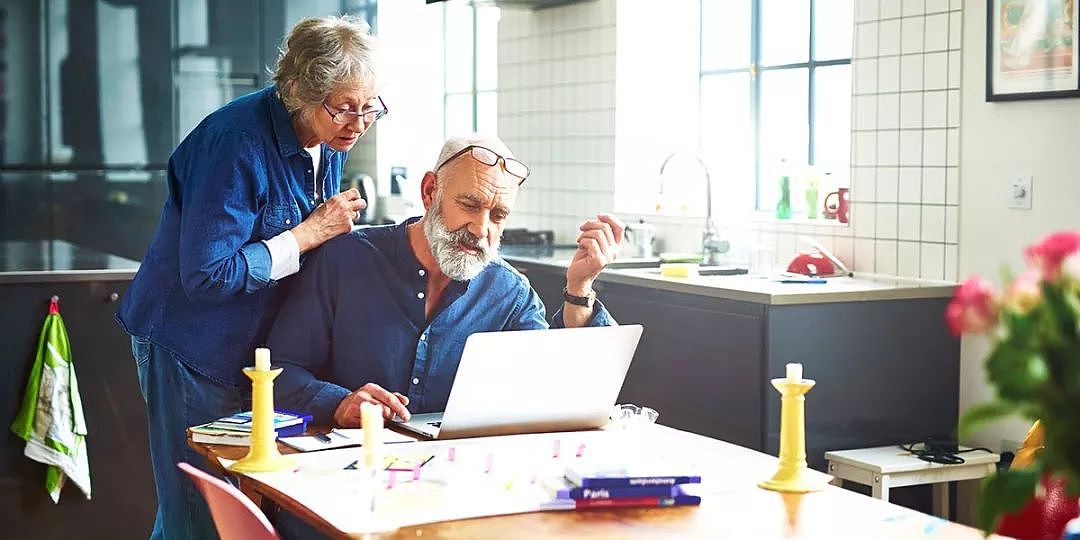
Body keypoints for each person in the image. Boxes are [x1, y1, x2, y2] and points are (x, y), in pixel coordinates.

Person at [115, 15, 384, 539]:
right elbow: (209, 276)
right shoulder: (235, 143)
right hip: (191, 344)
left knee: (207, 507)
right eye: (344, 107)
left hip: (247, 349)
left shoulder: (324, 138)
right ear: (295, 91)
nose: (358, 122)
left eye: (369, 107)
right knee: (198, 510)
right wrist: (309, 233)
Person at [269, 134, 625, 425]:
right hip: (344, 474)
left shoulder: (509, 293)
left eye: (498, 215)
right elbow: (277, 374)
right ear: (429, 191)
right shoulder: (344, 259)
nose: (481, 229)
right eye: (470, 205)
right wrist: (340, 403)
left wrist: (579, 289)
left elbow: (555, 390)